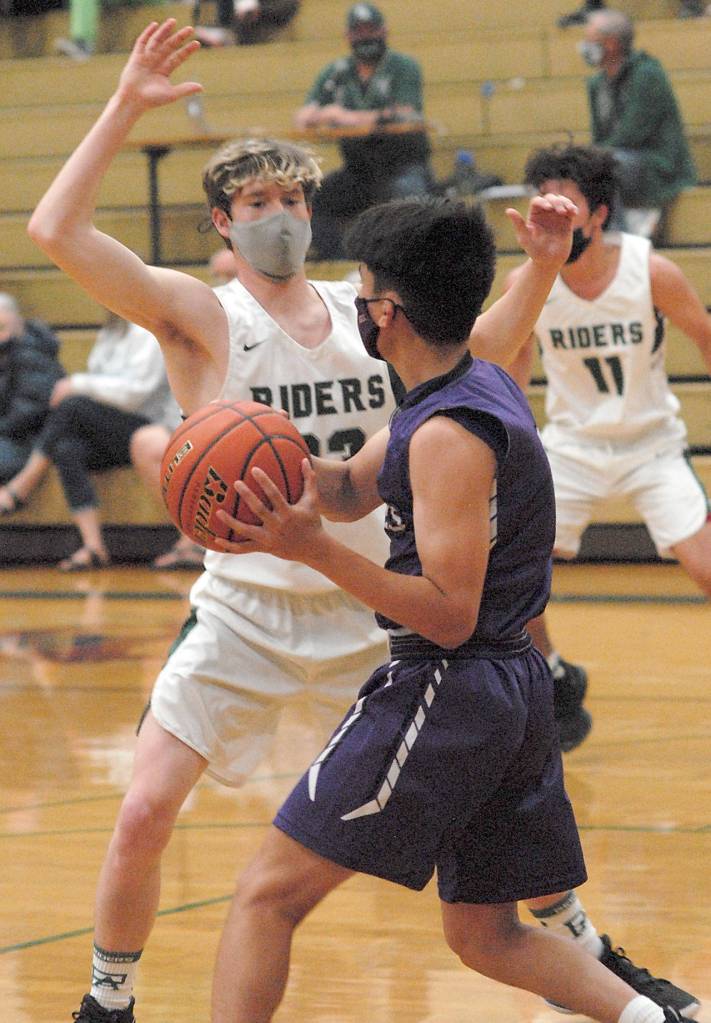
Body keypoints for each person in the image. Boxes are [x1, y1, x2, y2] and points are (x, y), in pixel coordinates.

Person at [24, 20, 693, 1022]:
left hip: (373, 619)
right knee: (143, 809)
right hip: (245, 607)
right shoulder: (204, 318)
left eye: (294, 200)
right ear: (223, 223)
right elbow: (56, 235)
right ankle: (107, 998)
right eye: (257, 204)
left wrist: (542, 271)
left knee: (494, 844)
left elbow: (487, 359)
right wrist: (123, 104)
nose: (280, 217)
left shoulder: (365, 312)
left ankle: (599, 955)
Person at [207, 194, 696, 1023]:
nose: (356, 305)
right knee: (485, 936)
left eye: (362, 291)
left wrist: (308, 549)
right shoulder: (462, 387)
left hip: (448, 685)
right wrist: (256, 457)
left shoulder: (445, 434)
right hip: (503, 691)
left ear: (386, 313)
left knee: (265, 895)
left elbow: (446, 614)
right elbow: (348, 489)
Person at [505, 142, 711, 736]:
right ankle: (552, 672)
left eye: (565, 206)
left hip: (651, 446)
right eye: (541, 205)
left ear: (597, 215)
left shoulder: (651, 271)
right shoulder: (530, 281)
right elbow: (514, 369)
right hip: (573, 448)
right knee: (513, 576)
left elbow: (702, 332)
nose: (550, 217)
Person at [0, 312, 178, 570]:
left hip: (151, 426)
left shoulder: (148, 328)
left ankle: (21, 486)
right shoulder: (111, 330)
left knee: (72, 405)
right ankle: (94, 547)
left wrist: (78, 383)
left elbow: (138, 393)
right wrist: (82, 385)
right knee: (66, 447)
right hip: (113, 428)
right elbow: (100, 379)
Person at [293, 2, 434, 259]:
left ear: (384, 31)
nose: (366, 36)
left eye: (371, 29)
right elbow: (302, 117)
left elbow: (406, 113)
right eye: (359, 31)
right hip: (358, 170)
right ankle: (344, 261)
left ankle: (407, 268)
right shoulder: (337, 71)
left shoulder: (403, 66)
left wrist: (346, 117)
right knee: (308, 200)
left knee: (411, 206)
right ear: (348, 36)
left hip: (401, 165)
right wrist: (325, 113)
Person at [579, 9, 696, 239]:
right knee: (585, 167)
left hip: (657, 164)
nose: (583, 46)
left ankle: (618, 242)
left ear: (611, 43)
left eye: (590, 40)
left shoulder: (647, 74)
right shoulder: (596, 84)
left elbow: (632, 133)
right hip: (617, 161)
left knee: (604, 166)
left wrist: (594, 158)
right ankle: (593, 243)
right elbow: (599, 137)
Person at [0, 293, 65, 499]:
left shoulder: (33, 352)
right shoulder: (7, 352)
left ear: (17, 320)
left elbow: (28, 411)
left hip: (27, 441)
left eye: (2, 327)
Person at [195, 0, 300, 48]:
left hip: (269, 33)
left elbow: (289, 6)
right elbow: (223, 18)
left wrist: (259, 9)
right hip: (234, 34)